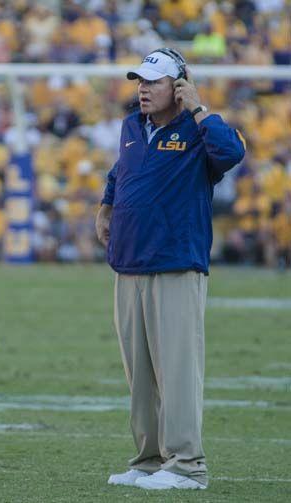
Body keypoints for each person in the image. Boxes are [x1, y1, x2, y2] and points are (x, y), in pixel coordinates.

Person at [96, 48, 246, 490]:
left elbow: (232, 151)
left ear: (178, 86)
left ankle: (187, 466)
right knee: (140, 375)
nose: (142, 88)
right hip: (128, 263)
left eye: (153, 81)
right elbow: (121, 171)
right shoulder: (131, 128)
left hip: (176, 264)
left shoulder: (199, 131)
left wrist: (198, 106)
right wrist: (105, 205)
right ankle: (148, 460)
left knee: (176, 370)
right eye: (140, 81)